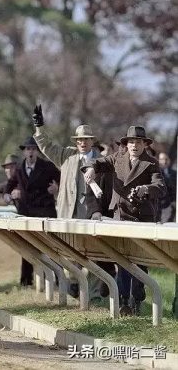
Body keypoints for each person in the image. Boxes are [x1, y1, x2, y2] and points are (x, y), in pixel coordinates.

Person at [31, 105, 115, 300]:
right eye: (79, 140)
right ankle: (74, 287)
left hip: (92, 217)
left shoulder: (101, 161)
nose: (82, 143)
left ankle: (93, 296)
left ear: (92, 141)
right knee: (69, 255)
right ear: (76, 142)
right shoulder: (67, 156)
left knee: (93, 256)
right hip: (68, 215)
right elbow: (46, 147)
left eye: (86, 139)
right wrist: (39, 127)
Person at [84, 125, 166, 315]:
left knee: (139, 261)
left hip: (142, 218)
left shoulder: (151, 163)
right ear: (126, 145)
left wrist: (146, 189)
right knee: (122, 260)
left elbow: (160, 187)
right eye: (131, 142)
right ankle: (123, 300)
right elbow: (97, 162)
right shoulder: (117, 159)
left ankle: (137, 298)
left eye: (138, 142)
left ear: (144, 144)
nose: (134, 146)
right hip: (120, 216)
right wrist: (90, 169)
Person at [2, 136, 61, 286]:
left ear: (38, 151)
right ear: (23, 152)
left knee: (52, 247)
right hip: (26, 213)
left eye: (33, 149)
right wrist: (8, 195)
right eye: (28, 149)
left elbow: (63, 179)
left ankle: (60, 280)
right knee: (27, 247)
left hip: (44, 212)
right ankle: (26, 281)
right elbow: (9, 185)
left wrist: (57, 189)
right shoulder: (20, 168)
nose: (31, 152)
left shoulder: (47, 166)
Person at [158, 152, 176, 223]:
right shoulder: (155, 172)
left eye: (166, 159)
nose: (164, 161)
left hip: (169, 205)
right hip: (157, 205)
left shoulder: (175, 173)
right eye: (162, 159)